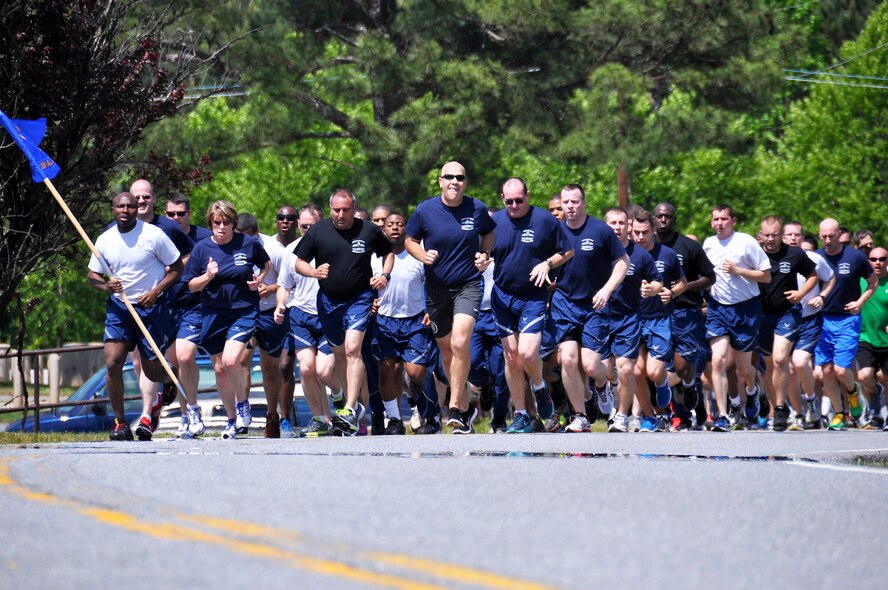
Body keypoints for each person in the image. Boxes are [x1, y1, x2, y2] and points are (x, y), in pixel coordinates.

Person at [405, 161, 496, 434]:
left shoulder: (477, 208)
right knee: (446, 349)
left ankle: (455, 407)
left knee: (460, 341)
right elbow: (410, 240)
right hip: (436, 289)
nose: (454, 181)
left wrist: (484, 254)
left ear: (465, 182)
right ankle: (466, 409)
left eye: (460, 177)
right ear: (440, 181)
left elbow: (489, 232)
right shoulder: (425, 210)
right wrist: (423, 255)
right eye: (449, 177)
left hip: (468, 284)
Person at [294, 189, 394, 434]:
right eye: (336, 210)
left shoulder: (368, 230)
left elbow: (388, 252)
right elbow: (299, 262)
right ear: (331, 210)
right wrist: (314, 272)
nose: (341, 214)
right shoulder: (318, 231)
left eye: (346, 209)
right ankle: (349, 402)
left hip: (359, 298)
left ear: (353, 209)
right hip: (328, 302)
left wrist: (384, 275)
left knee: (352, 349)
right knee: (339, 354)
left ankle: (350, 407)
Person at [87, 192, 183, 441]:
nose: (126, 210)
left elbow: (177, 267)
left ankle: (169, 377)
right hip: (120, 307)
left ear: (136, 209)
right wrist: (105, 287)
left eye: (130, 206)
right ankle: (120, 423)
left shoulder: (153, 235)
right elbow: (92, 276)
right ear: (113, 209)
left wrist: (156, 291)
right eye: (121, 206)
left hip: (150, 307)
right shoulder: (105, 239)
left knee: (151, 371)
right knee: (112, 362)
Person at [488, 178, 573, 433]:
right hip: (502, 296)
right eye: (509, 201)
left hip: (532, 297)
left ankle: (538, 386)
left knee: (527, 353)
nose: (514, 205)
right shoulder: (494, 223)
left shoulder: (544, 220)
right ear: (503, 200)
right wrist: (482, 260)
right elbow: (483, 252)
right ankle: (521, 414)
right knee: (511, 357)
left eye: (519, 200)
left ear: (528, 196)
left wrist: (547, 264)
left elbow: (568, 251)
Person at [184, 201, 271, 439]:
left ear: (233, 224)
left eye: (226, 223)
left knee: (232, 361)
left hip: (243, 310)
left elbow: (266, 264)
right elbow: (191, 286)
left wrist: (259, 281)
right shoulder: (201, 249)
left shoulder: (248, 243)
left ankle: (243, 404)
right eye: (216, 222)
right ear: (210, 223)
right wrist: (208, 276)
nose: (221, 227)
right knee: (220, 368)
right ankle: (232, 420)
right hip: (213, 313)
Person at [548, 184, 629, 433]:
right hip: (564, 303)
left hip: (594, 304)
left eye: (575, 202)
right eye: (565, 202)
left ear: (583, 203)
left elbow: (623, 262)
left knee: (591, 366)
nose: (569, 207)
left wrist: (607, 290)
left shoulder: (601, 231)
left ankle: (604, 385)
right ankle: (580, 415)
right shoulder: (554, 231)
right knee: (568, 359)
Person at [703, 204, 771, 432]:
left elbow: (766, 276)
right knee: (719, 360)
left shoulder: (746, 242)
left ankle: (751, 392)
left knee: (744, 370)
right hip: (717, 308)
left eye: (723, 219)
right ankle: (722, 415)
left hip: (745, 309)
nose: (719, 223)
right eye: (715, 219)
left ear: (733, 220)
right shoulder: (709, 244)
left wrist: (739, 271)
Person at [370, 212, 439, 434]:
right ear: (383, 229)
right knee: (387, 371)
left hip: (416, 321)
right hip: (384, 322)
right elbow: (364, 287)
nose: (395, 228)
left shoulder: (417, 256)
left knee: (415, 372)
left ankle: (428, 412)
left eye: (400, 224)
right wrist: (370, 303)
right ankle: (394, 420)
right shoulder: (374, 257)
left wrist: (431, 310)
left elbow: (433, 285)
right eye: (390, 225)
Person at [275, 204, 339, 437]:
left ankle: (339, 396)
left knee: (324, 371)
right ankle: (320, 420)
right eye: (303, 227)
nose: (307, 231)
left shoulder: (334, 244)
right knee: (306, 369)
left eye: (312, 226)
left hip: (329, 313)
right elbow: (284, 285)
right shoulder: (291, 251)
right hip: (300, 315)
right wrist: (281, 304)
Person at [652, 202, 715, 428]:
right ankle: (661, 414)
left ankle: (688, 384)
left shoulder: (688, 246)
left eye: (668, 216)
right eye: (659, 216)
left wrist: (683, 286)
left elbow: (710, 277)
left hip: (686, 312)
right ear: (653, 218)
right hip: (655, 312)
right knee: (658, 365)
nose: (663, 220)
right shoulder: (647, 246)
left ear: (674, 219)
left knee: (681, 367)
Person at [602, 207, 663, 433]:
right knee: (605, 371)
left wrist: (651, 290)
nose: (617, 227)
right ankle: (610, 390)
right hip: (599, 317)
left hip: (628, 318)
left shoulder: (639, 255)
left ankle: (621, 416)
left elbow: (657, 282)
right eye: (612, 223)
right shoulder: (598, 252)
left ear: (628, 226)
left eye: (621, 223)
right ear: (605, 225)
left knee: (626, 369)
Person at [756, 216, 817, 431]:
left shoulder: (794, 253)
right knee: (770, 364)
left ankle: (781, 408)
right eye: (767, 235)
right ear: (760, 234)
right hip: (761, 315)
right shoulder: (754, 252)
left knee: (781, 358)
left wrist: (801, 293)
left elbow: (812, 275)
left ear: (781, 235)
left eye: (774, 235)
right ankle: (775, 408)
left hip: (787, 313)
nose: (770, 239)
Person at [815, 218, 877, 430]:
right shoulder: (817, 257)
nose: (827, 240)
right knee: (826, 372)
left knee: (841, 370)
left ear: (839, 234)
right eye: (823, 236)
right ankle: (839, 414)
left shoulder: (855, 256)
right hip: (823, 319)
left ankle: (853, 393)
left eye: (831, 236)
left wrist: (860, 302)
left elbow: (873, 283)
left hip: (848, 320)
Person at [235, 213, 290, 438]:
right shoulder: (232, 247)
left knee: (270, 367)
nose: (243, 243)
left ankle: (271, 415)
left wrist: (272, 288)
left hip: (268, 312)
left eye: (247, 238)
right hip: (244, 312)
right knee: (239, 361)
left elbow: (288, 281)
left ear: (256, 233)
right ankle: (242, 411)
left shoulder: (273, 249)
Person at [632, 210, 687, 428]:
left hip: (659, 319)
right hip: (633, 319)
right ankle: (648, 417)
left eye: (645, 232)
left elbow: (682, 281)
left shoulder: (667, 255)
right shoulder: (625, 255)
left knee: (654, 372)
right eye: (636, 232)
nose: (640, 237)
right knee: (636, 371)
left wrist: (672, 293)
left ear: (653, 231)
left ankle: (663, 382)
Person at [164, 194, 212, 438]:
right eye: (170, 214)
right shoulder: (158, 235)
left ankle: (193, 410)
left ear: (189, 214)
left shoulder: (204, 237)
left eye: (180, 214)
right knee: (171, 363)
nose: (175, 219)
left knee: (185, 356)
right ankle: (184, 415)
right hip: (165, 306)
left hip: (196, 306)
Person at [781, 221, 834, 430]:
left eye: (797, 234)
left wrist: (821, 296)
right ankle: (798, 413)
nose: (793, 238)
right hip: (783, 318)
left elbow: (831, 279)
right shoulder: (775, 259)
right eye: (789, 235)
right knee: (789, 369)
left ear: (802, 237)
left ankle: (811, 399)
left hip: (809, 318)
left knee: (800, 362)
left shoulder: (814, 258)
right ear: (782, 237)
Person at [857, 246, 888, 430]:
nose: (878, 262)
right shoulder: (862, 281)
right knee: (864, 376)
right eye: (874, 259)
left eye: (882, 259)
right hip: (865, 335)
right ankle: (876, 393)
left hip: (886, 339)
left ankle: (881, 417)